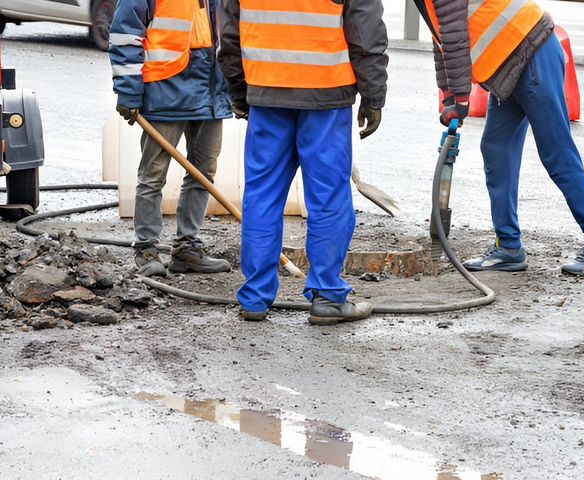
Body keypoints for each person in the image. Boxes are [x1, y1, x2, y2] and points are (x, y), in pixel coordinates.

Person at [413, 0, 584, 276]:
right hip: (507, 67)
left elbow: (455, 38)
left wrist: (461, 99)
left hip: (532, 52)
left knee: (556, 152)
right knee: (496, 149)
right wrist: (449, 97)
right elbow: (442, 44)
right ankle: (508, 247)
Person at [219, 0, 388, 324]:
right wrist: (373, 94)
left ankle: (255, 297)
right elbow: (365, 26)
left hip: (267, 91)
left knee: (263, 195)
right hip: (326, 93)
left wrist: (239, 88)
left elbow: (229, 30)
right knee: (328, 198)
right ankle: (327, 295)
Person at [109, 0, 233, 277]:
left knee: (203, 174)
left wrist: (236, 86)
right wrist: (128, 92)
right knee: (153, 174)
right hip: (166, 89)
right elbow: (125, 34)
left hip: (210, 92)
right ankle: (147, 249)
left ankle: (187, 248)